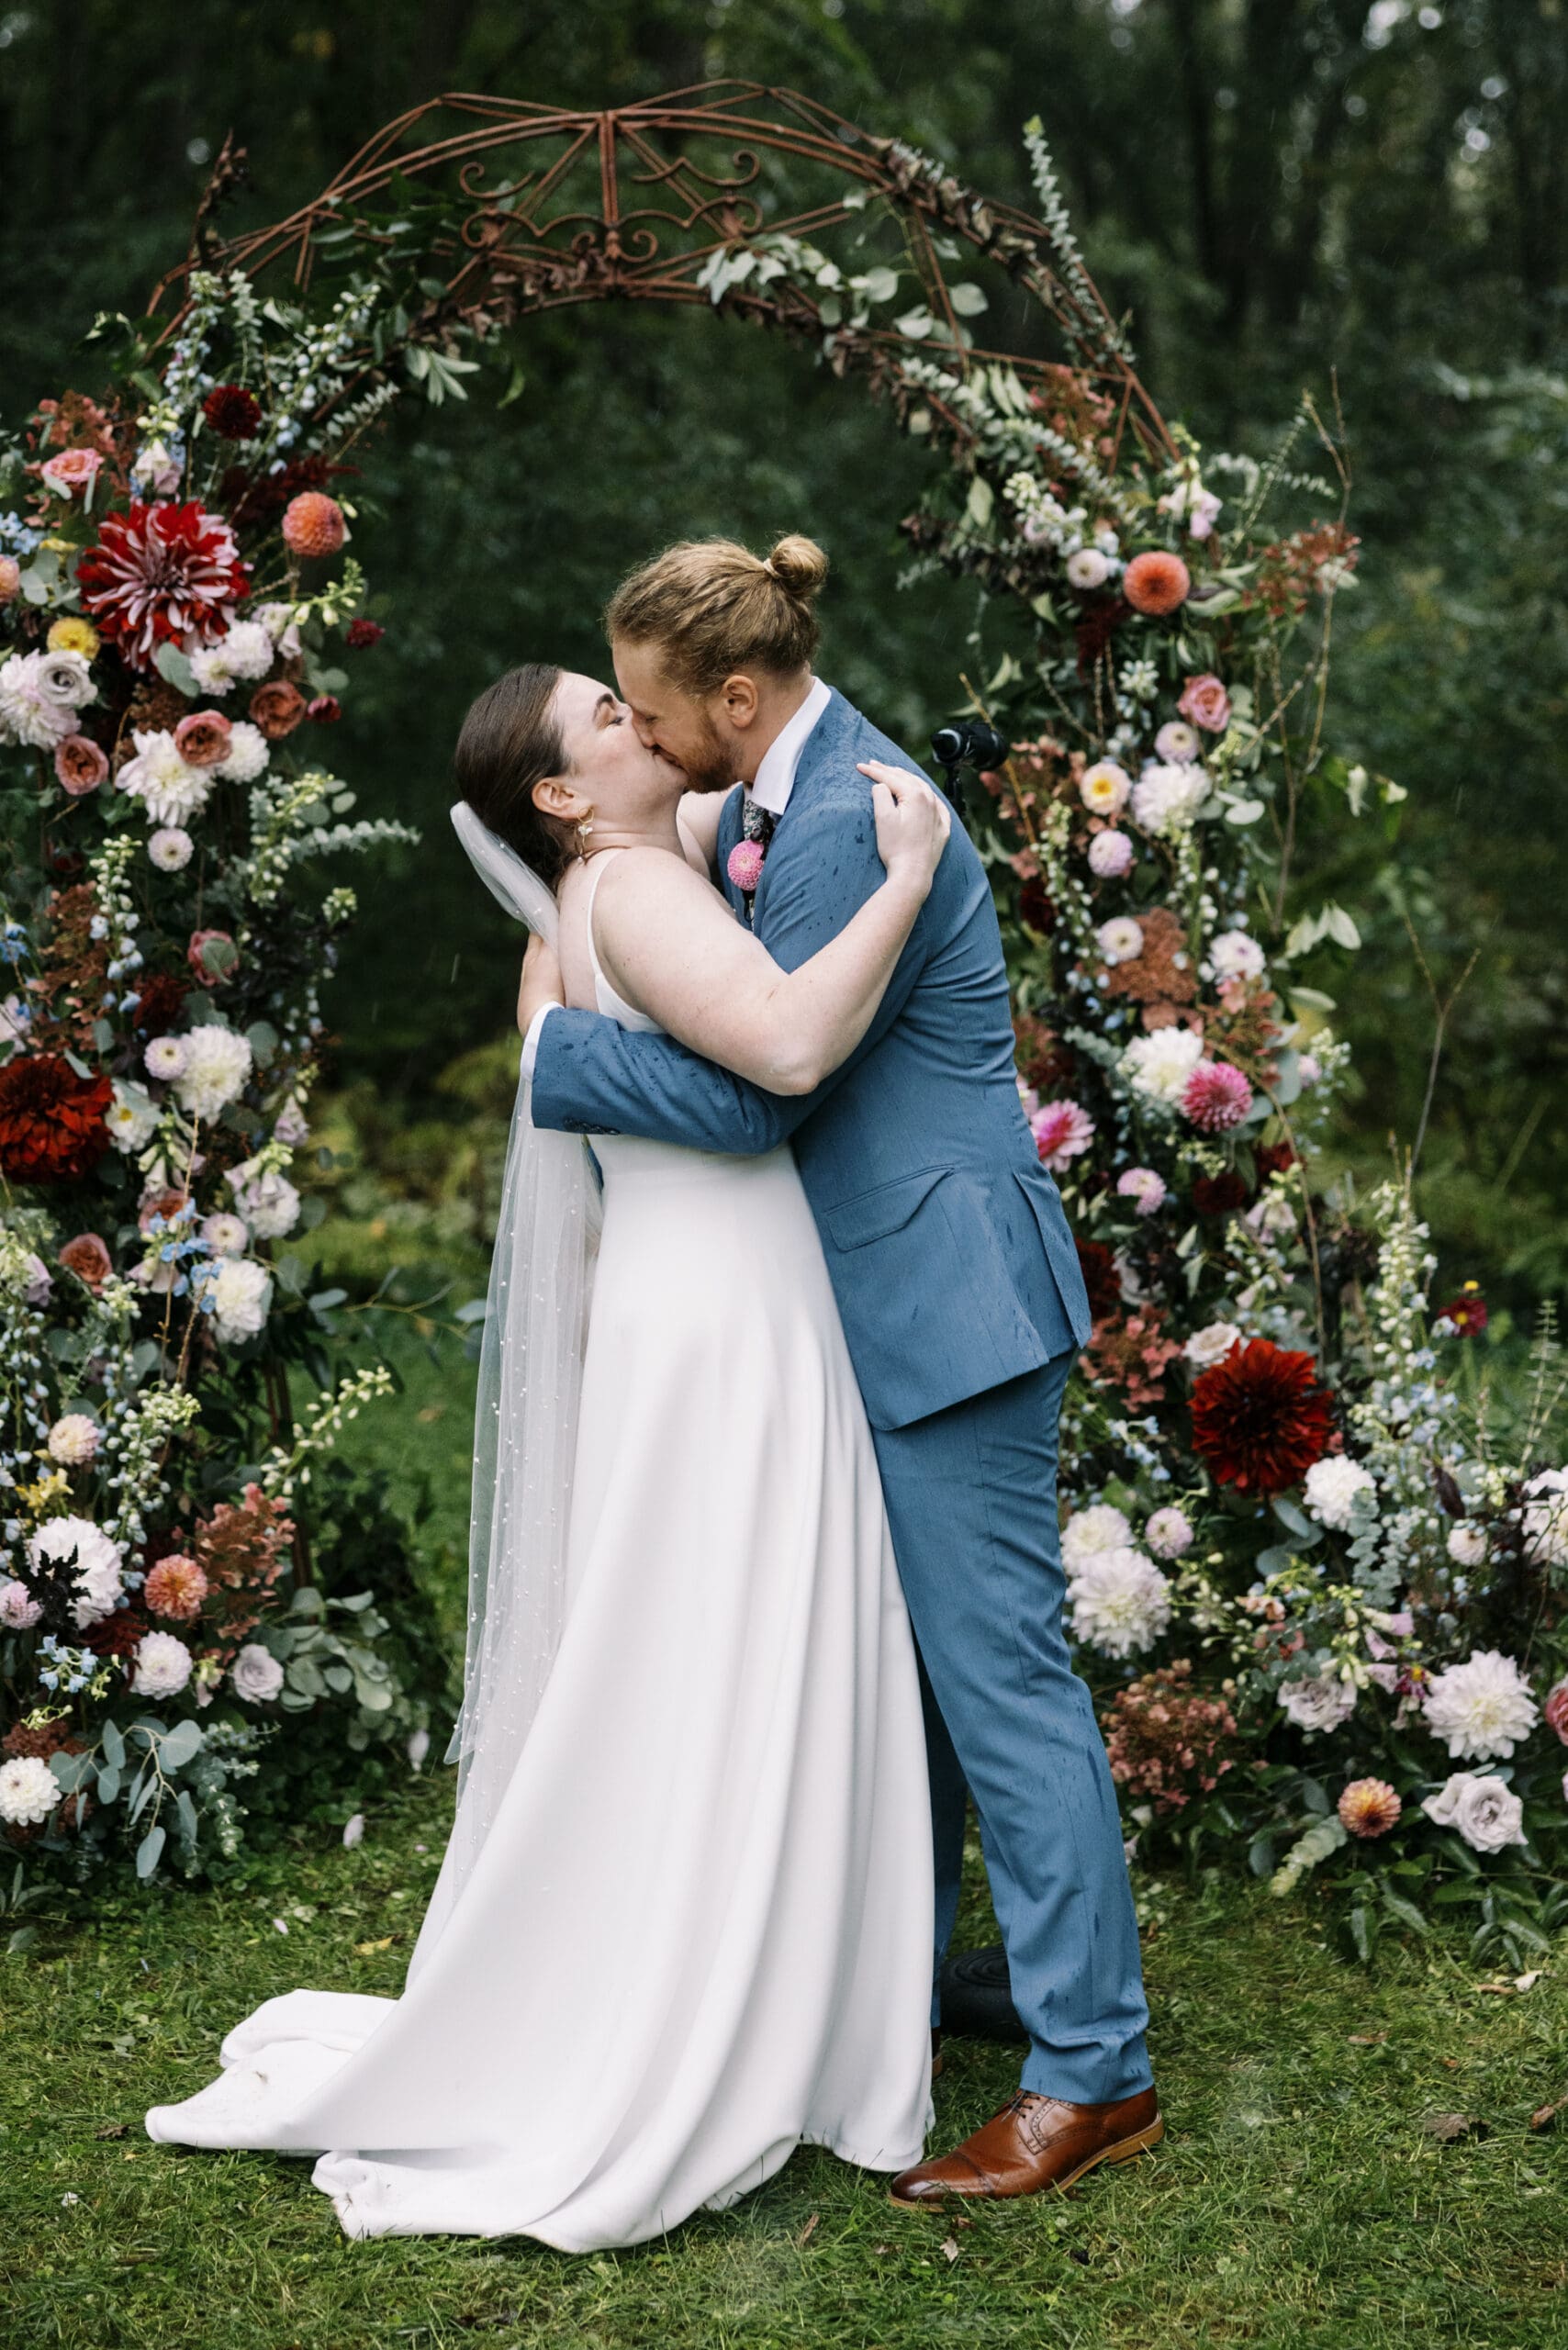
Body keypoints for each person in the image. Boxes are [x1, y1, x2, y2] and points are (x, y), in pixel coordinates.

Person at [142, 639, 953, 2248]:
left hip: (692, 1292)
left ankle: (721, 1964)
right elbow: (789, 1049)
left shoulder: (602, 899)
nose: (639, 714)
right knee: (740, 1641)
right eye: (608, 711)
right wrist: (911, 873)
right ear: (567, 794)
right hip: (727, 1304)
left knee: (699, 1647)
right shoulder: (632, 893)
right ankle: (744, 2005)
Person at [515, 532, 1161, 2207]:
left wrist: (555, 1053)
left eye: (656, 721)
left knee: (1001, 1680)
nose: (645, 750)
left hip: (940, 1296)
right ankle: (965, 1976)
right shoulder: (779, 796)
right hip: (873, 1297)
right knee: (924, 1677)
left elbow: (761, 1094)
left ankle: (1095, 2073)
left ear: (738, 698)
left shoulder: (839, 814)